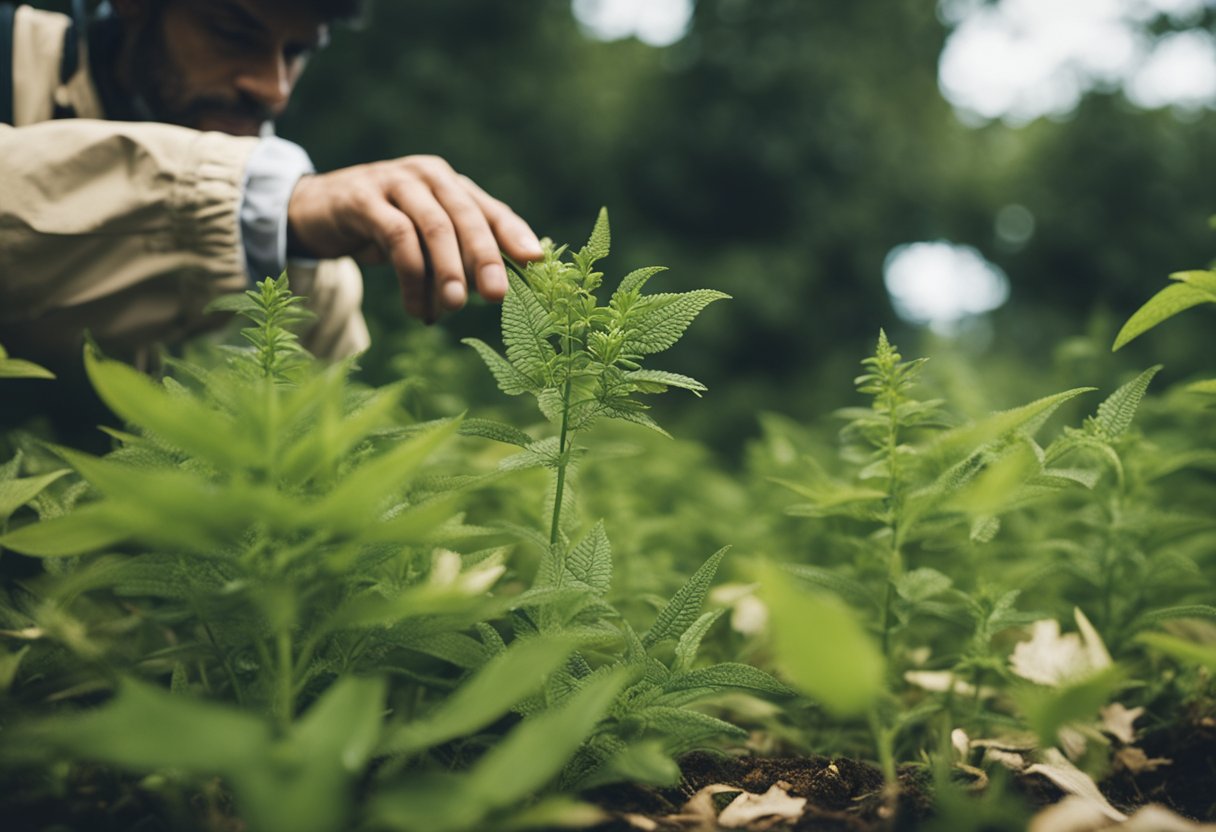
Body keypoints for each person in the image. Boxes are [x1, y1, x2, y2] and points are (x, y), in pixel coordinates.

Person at [0, 0, 543, 377]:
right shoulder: (12, 58)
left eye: (297, 52)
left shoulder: (306, 265)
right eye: (232, 34)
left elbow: (327, 477)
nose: (273, 89)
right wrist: (278, 207)